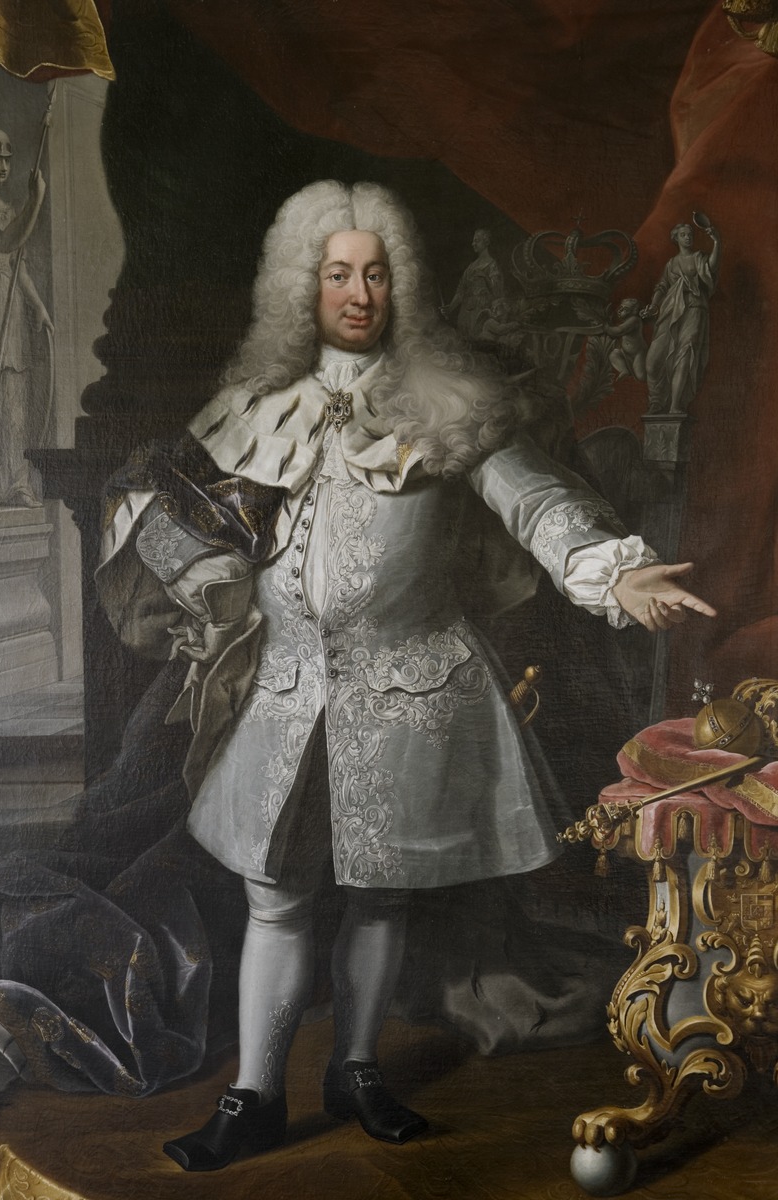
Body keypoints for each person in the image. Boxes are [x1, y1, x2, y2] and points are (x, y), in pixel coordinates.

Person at [93, 180, 714, 1172]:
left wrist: (614, 570)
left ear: (402, 285)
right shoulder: (253, 406)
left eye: (375, 273)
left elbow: (537, 502)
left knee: (379, 896)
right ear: (302, 285)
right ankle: (256, 1097)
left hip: (408, 687)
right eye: (338, 273)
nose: (358, 292)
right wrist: (199, 572)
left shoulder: (448, 403)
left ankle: (355, 1070)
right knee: (275, 896)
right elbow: (163, 511)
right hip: (281, 690)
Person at [0, 116, 51, 508]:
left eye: (7, 157)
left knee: (14, 399)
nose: (4, 165)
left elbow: (16, 263)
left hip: (7, 303)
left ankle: (15, 482)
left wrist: (37, 304)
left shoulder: (7, 209)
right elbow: (4, 242)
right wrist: (35, 201)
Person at [643, 219, 720, 415]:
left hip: (694, 309)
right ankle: (656, 401)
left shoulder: (698, 257)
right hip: (670, 311)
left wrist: (717, 242)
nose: (688, 238)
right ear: (675, 238)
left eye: (690, 235)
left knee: (685, 354)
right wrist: (653, 306)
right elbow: (662, 286)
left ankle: (675, 405)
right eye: (683, 235)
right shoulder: (671, 264)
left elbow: (710, 269)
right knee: (653, 359)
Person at [441, 227, 506, 342]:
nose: (473, 244)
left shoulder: (492, 265)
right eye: (473, 241)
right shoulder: (470, 267)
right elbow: (461, 291)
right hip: (465, 314)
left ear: (486, 242)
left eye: (476, 240)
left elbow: (498, 293)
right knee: (464, 343)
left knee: (479, 343)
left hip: (482, 313)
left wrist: (485, 277)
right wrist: (450, 308)